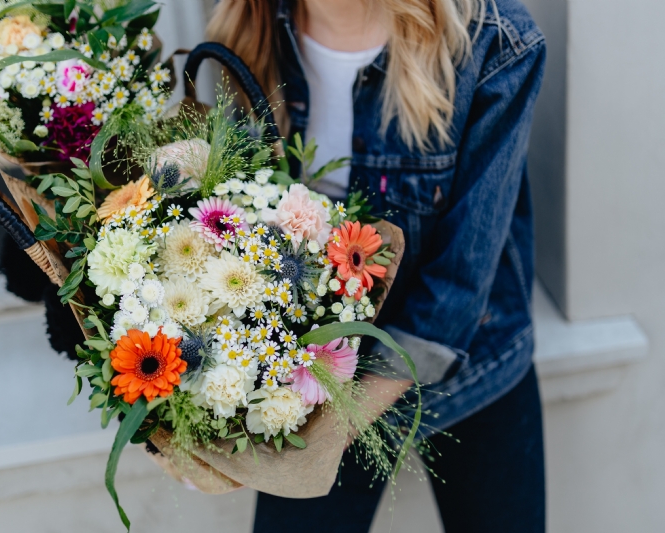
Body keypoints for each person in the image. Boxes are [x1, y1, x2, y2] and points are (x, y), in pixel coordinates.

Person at [208, 0, 547, 531]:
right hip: (309, 377)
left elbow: (464, 273)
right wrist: (204, 405)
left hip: (471, 362)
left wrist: (337, 423)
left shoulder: (495, 40)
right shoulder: (248, 25)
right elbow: (232, 224)